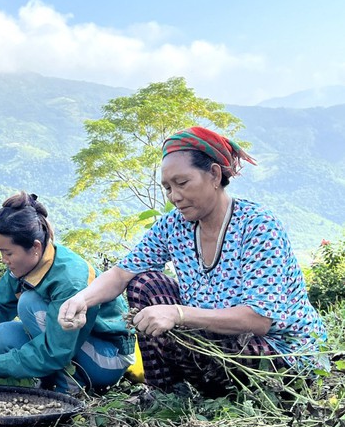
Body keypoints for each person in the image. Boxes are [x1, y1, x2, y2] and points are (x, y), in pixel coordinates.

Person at [58, 126, 328, 397]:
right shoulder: (174, 226)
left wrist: (178, 314)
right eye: (167, 188)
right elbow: (121, 273)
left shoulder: (258, 227)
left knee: (195, 336)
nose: (175, 196)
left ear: (213, 174)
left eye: (182, 183)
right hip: (208, 338)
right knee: (145, 284)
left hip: (278, 355)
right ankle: (166, 394)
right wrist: (81, 300)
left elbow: (258, 320)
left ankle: (231, 396)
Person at [0, 192, 134, 394]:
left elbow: (57, 349)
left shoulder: (70, 280)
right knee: (2, 335)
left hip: (108, 356)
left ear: (35, 247)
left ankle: (68, 386)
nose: (3, 259)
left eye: (8, 253)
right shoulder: (25, 266)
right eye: (0, 252)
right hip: (73, 346)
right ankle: (50, 381)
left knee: (29, 303)